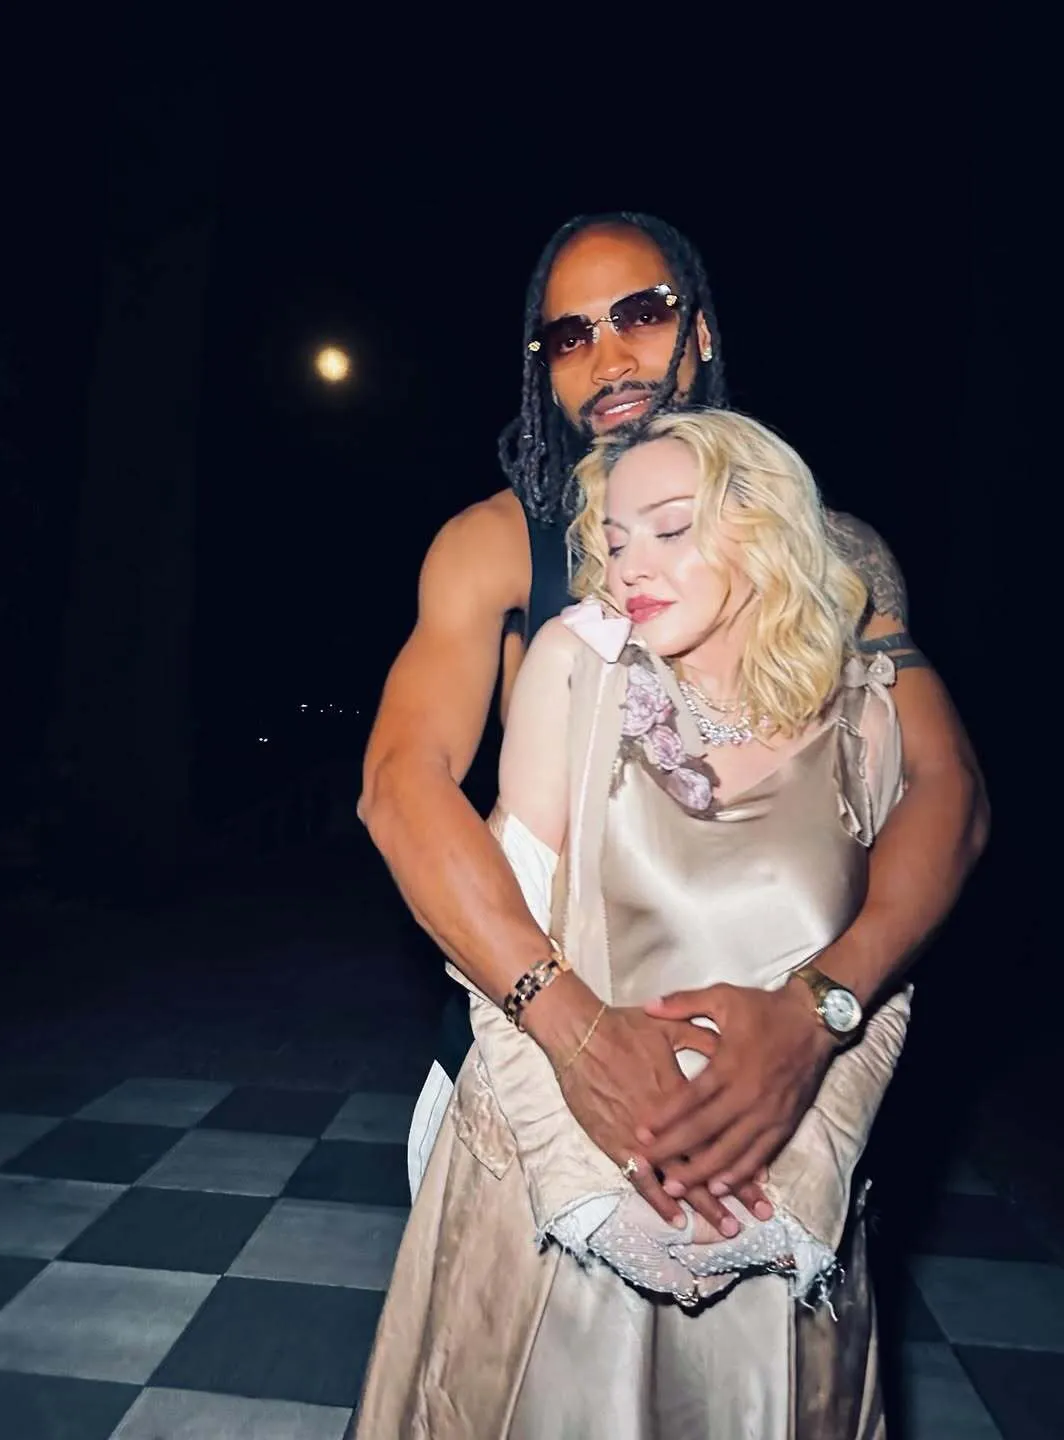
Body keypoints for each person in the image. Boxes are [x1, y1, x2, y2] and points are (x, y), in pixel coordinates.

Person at [360, 211, 988, 1238]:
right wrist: (575, 1033)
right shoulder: (495, 547)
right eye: (570, 334)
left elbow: (946, 788)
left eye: (642, 314)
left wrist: (822, 1012)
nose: (608, 358)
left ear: (699, 331)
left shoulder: (836, 559)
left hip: (780, 1111)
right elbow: (400, 788)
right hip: (531, 1080)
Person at [353, 407, 927, 1437]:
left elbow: (880, 979)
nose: (630, 569)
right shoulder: (582, 669)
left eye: (670, 529)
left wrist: (800, 1195)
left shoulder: (868, 720)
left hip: (773, 1232)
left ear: (764, 529)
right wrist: (592, 1199)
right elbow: (498, 944)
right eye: (615, 543)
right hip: (570, 1212)